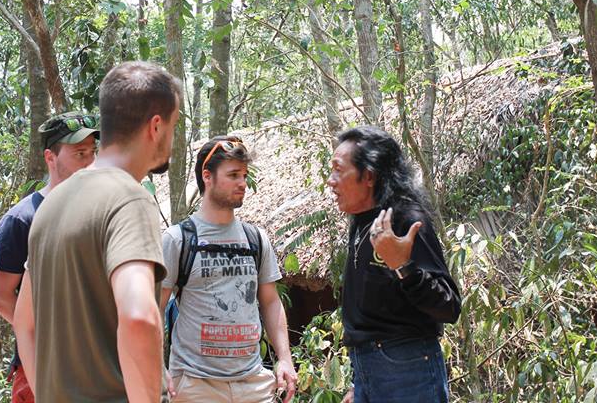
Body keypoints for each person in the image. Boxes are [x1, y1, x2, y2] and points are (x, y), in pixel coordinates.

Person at [13, 61, 181, 403]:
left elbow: (23, 321)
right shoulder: (129, 199)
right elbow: (138, 317)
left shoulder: (51, 203)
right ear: (156, 126)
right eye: (175, 126)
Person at [327, 126, 460, 403]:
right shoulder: (362, 222)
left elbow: (449, 306)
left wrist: (404, 267)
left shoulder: (405, 219)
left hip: (408, 368)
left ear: (369, 176)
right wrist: (360, 385)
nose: (331, 181)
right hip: (369, 368)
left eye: (339, 170)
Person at [160, 136, 298, 402]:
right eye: (233, 175)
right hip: (195, 384)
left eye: (244, 175)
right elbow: (154, 308)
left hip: (254, 383)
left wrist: (284, 359)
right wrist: (157, 365)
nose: (243, 183)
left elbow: (270, 301)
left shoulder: (256, 238)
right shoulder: (178, 240)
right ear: (207, 176)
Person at [0, 111, 99, 403]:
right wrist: (43, 336)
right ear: (50, 158)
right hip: (39, 367)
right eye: (79, 154)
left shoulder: (100, 214)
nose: (89, 163)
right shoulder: (23, 219)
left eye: (92, 153)